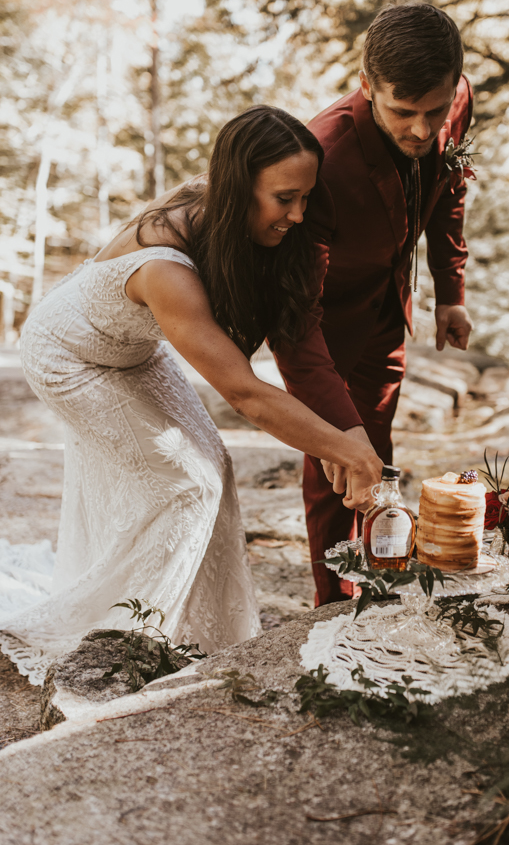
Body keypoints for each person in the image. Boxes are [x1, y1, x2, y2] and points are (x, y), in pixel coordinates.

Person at [0, 106, 382, 684]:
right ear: (239, 187)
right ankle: (131, 637)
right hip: (68, 357)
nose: (300, 215)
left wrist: (344, 436)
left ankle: (200, 638)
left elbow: (294, 336)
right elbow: (243, 393)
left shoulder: (235, 221)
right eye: (285, 198)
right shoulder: (165, 268)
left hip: (131, 351)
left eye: (307, 197)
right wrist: (344, 450)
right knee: (187, 484)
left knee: (216, 469)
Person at [274, 3, 475, 606]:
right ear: (366, 86)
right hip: (326, 320)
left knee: (377, 448)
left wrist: (450, 292)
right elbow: (294, 319)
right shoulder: (322, 158)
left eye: (434, 111)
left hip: (391, 304)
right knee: (334, 457)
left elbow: (450, 190)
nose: (421, 129)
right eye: (402, 112)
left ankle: (378, 576)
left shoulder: (457, 98)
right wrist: (332, 427)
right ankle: (330, 603)